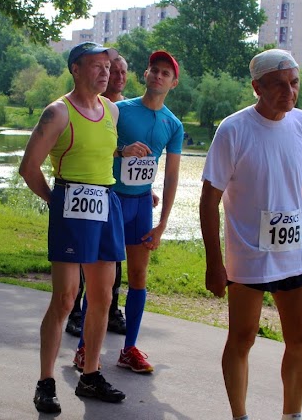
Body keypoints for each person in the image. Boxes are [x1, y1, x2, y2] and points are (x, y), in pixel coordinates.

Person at [199, 49, 302, 420]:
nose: (289, 91)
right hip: (248, 253)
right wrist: (214, 263)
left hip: (293, 252)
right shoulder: (234, 129)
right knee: (243, 337)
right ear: (257, 87)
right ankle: (240, 416)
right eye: (279, 84)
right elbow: (209, 199)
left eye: (294, 83)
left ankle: (291, 415)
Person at [21, 41, 138, 413]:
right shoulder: (58, 112)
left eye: (109, 66)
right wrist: (57, 203)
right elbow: (29, 167)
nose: (105, 72)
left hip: (106, 203)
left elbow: (101, 151)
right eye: (96, 66)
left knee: (102, 297)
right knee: (66, 298)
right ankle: (45, 381)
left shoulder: (112, 111)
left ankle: (90, 374)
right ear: (75, 69)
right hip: (72, 203)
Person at [90, 50, 183, 374]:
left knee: (139, 278)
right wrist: (121, 150)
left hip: (142, 205)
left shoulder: (173, 124)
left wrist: (162, 225)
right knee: (104, 281)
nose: (158, 76)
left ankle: (128, 349)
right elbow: (97, 148)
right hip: (113, 200)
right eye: (154, 70)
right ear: (145, 74)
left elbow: (171, 176)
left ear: (173, 82)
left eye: (165, 73)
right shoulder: (119, 111)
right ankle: (84, 349)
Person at [66, 54, 130, 338]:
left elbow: (114, 151)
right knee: (81, 259)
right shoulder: (74, 107)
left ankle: (111, 311)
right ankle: (75, 312)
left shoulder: (121, 109)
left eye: (119, 71)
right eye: (109, 70)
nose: (115, 76)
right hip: (80, 194)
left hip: (111, 193)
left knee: (110, 262)